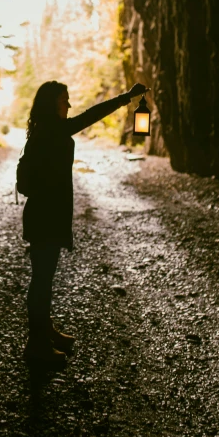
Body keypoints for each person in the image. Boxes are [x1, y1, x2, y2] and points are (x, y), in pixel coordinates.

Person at [22, 80, 148, 363]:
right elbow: (91, 115)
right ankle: (36, 345)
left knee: (44, 278)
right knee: (41, 281)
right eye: (64, 100)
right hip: (46, 216)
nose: (68, 105)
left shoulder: (44, 129)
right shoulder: (53, 130)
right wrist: (125, 98)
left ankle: (45, 332)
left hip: (44, 213)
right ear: (53, 103)